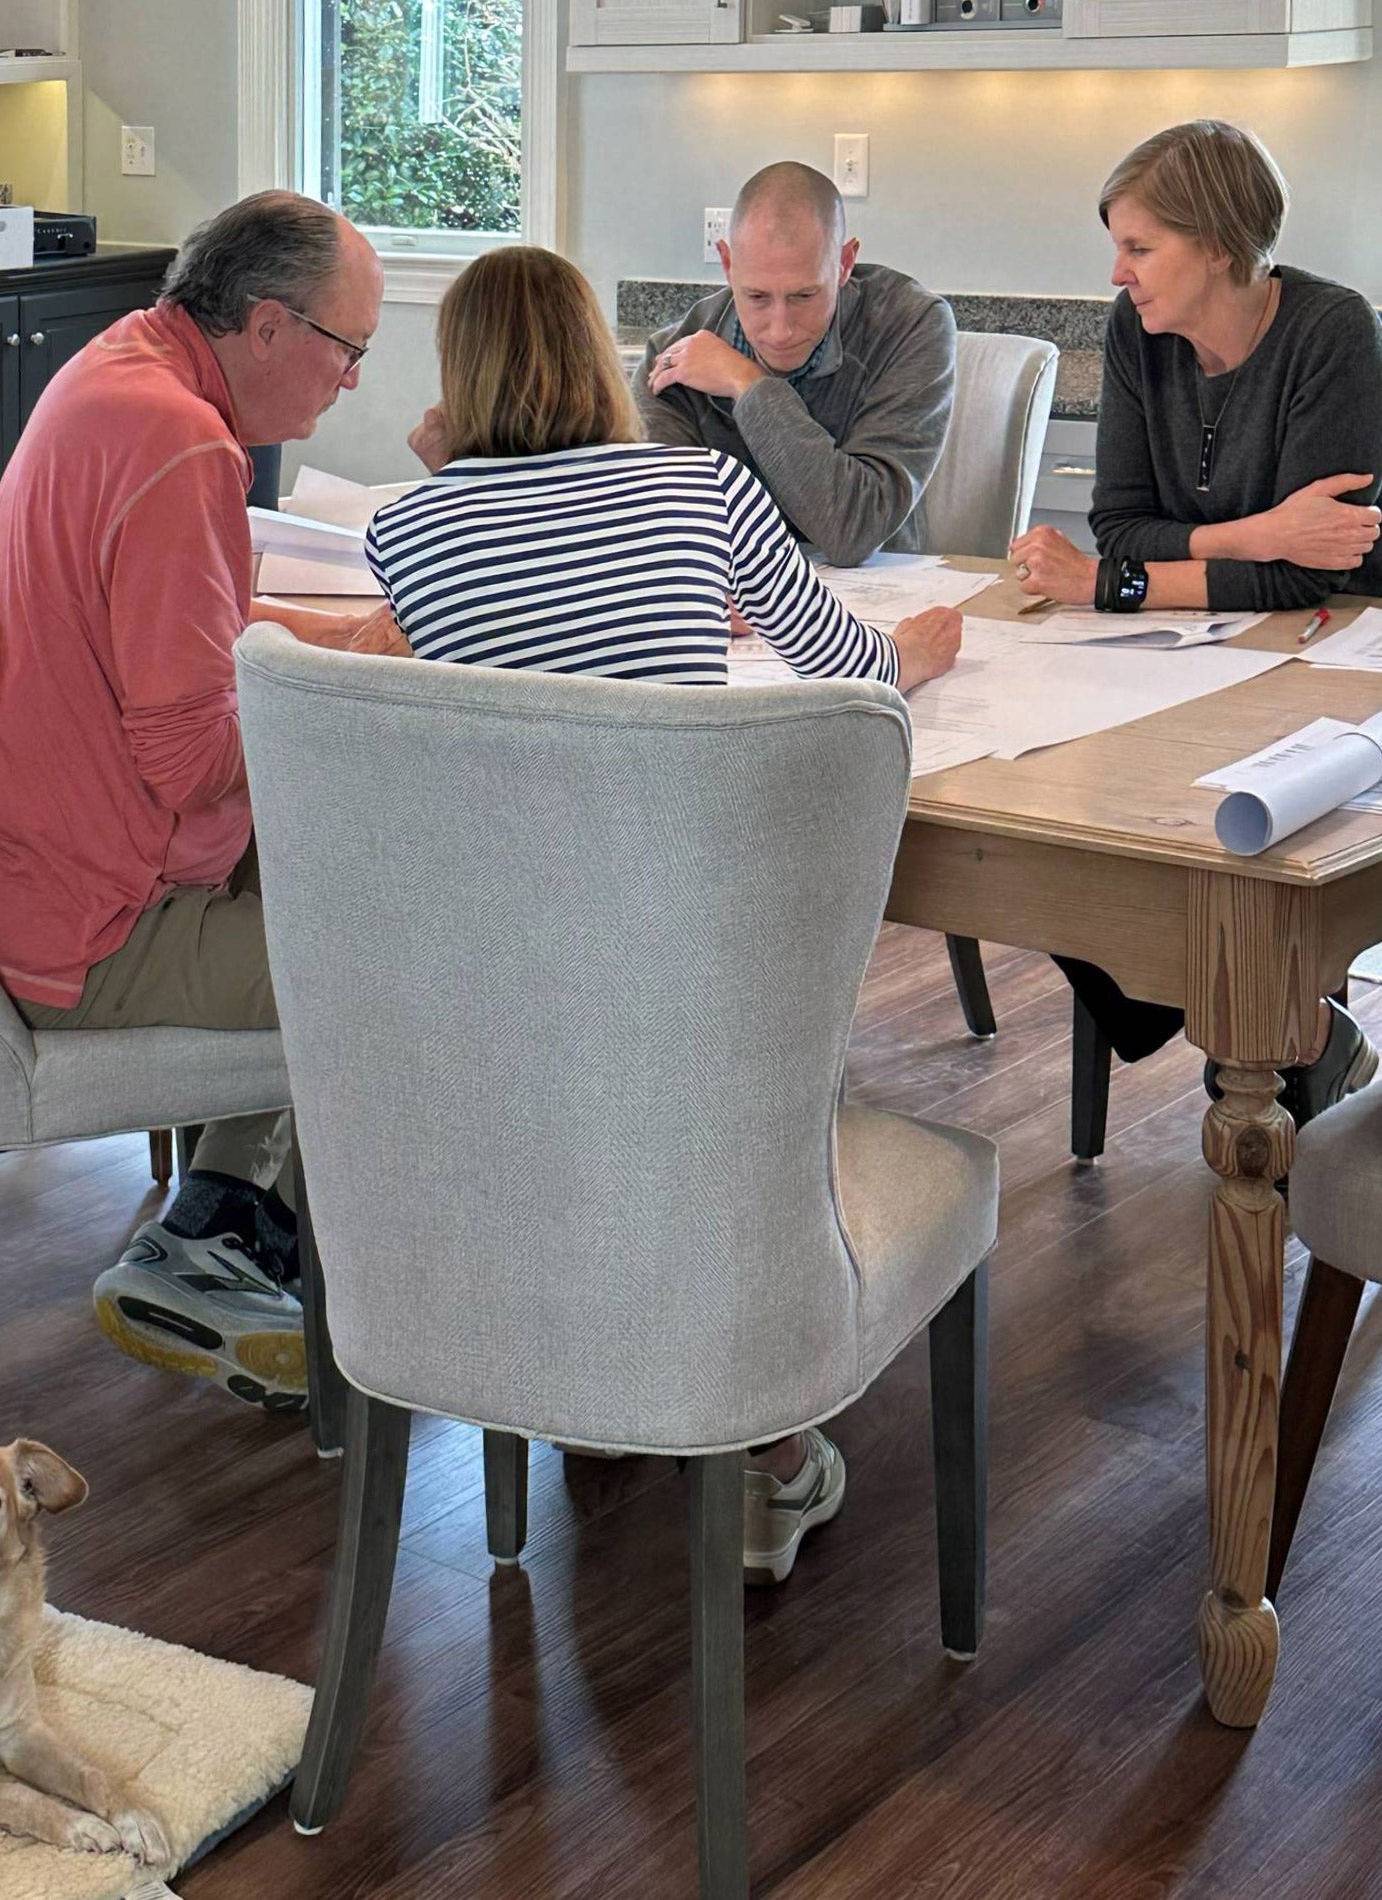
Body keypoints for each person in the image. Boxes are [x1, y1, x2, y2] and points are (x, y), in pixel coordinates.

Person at [372, 244, 962, 1585]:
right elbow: (845, 669)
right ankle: (768, 1442)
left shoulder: (405, 533)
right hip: (691, 988)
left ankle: (587, 1368)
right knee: (736, 1057)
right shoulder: (700, 487)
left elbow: (495, 624)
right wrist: (915, 654)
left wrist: (444, 471)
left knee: (590, 1071)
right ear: (597, 357)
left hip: (503, 997)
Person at [0, 191, 403, 1415]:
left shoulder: (115, 373)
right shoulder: (185, 444)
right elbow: (191, 759)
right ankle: (290, 1276)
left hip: (20, 873)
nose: (352, 379)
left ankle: (213, 1233)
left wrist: (320, 636)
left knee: (347, 877)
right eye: (346, 348)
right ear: (266, 326)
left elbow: (163, 636)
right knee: (405, 954)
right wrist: (345, 679)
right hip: (95, 923)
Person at [1012, 120, 1381, 1117]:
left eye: (1138, 247)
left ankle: (1271, 1038)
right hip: (1186, 651)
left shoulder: (1330, 331)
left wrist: (1109, 587)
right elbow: (1120, 526)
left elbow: (1309, 578)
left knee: (1216, 830)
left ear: (1216, 244)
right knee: (1054, 807)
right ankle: (1275, 1031)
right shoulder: (1133, 332)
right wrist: (1259, 530)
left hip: (1328, 666)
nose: (1117, 271)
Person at [633, 161, 957, 568]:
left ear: (844, 263)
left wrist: (749, 385)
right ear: (728, 264)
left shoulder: (911, 325)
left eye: (805, 296)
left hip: (881, 605)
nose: (780, 330)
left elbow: (853, 529)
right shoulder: (674, 357)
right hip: (736, 607)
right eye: (756, 297)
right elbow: (663, 530)